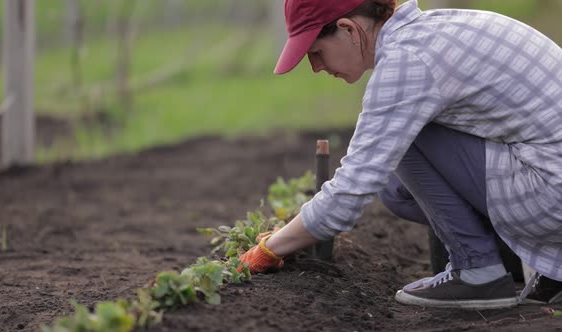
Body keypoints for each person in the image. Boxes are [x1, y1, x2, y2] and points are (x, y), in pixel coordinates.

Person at [239, 0, 562, 309]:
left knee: (404, 136)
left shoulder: (406, 63)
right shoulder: (433, 30)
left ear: (349, 29)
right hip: (550, 175)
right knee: (396, 191)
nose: (316, 67)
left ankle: (477, 270)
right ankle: (530, 264)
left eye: (316, 52)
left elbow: (350, 192)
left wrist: (270, 248)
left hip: (551, 190)